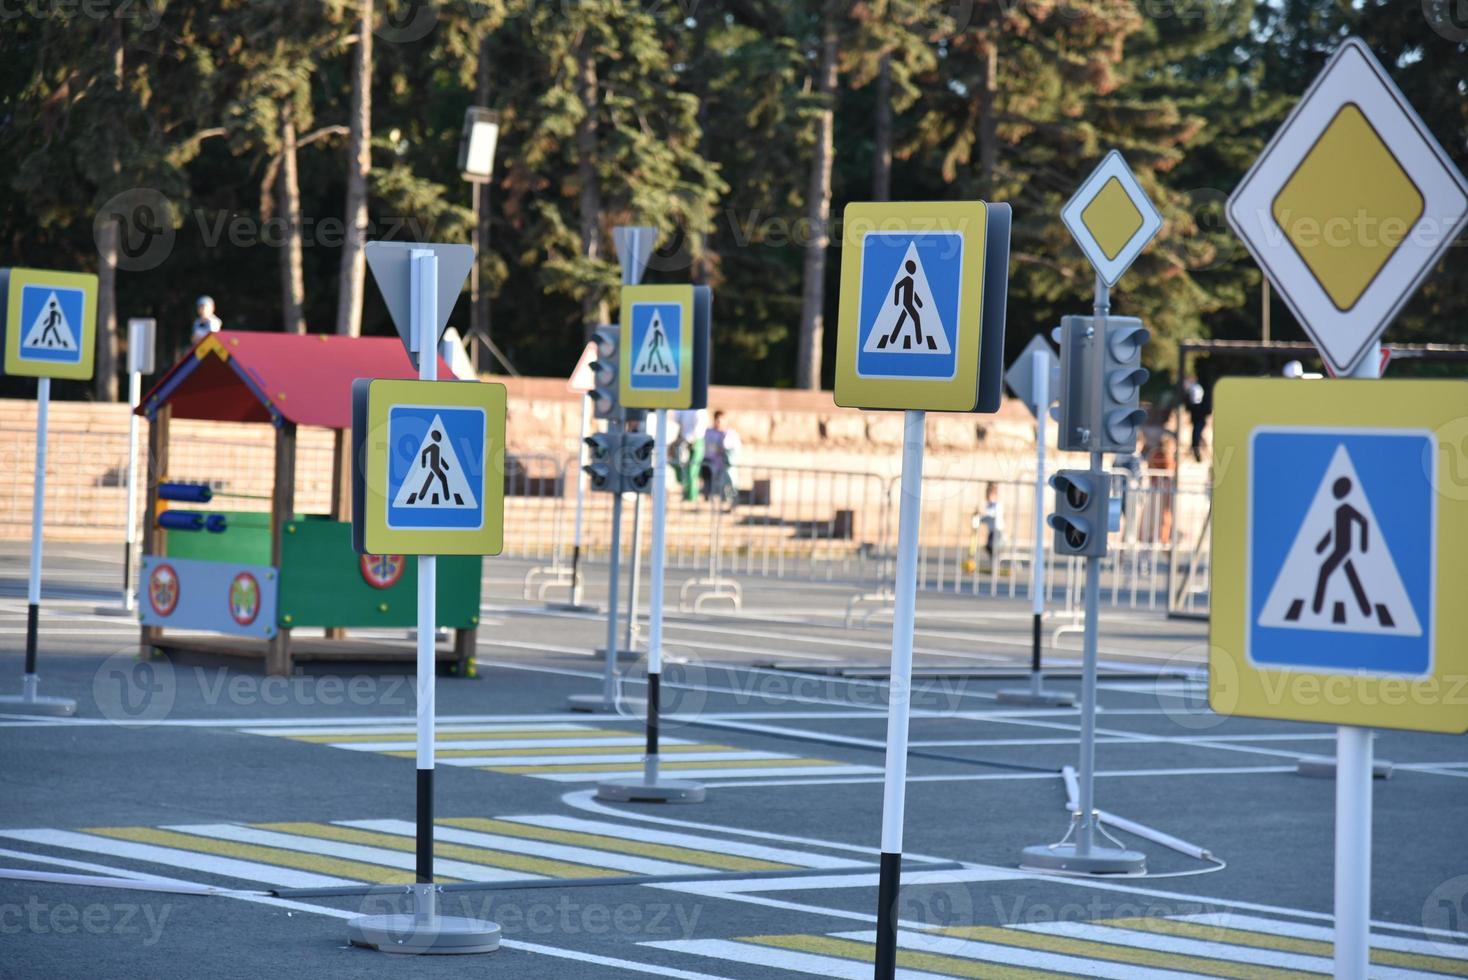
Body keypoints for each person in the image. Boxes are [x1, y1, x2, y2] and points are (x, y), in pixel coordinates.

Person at [703, 410, 742, 506]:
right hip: (711, 463)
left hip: (727, 465)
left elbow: (733, 448)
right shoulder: (709, 432)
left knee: (729, 484)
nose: (719, 423)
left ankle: (731, 503)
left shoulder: (730, 434)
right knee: (711, 484)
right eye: (717, 420)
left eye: (721, 420)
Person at [670, 408, 707, 502]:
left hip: (695, 441)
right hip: (684, 440)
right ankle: (686, 491)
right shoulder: (682, 408)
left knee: (692, 470)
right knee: (678, 465)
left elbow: (699, 426)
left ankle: (691, 496)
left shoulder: (698, 410)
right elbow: (677, 422)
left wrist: (693, 439)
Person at [971, 483, 1005, 569]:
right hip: (991, 531)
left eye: (990, 495)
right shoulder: (988, 505)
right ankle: (993, 564)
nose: (988, 497)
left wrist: (982, 514)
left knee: (993, 546)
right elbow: (986, 518)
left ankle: (996, 564)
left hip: (997, 530)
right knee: (989, 547)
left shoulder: (998, 505)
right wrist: (978, 519)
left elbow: (993, 515)